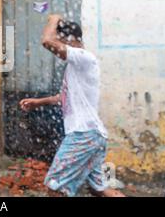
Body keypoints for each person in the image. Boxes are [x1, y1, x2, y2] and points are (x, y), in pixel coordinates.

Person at [19, 14, 125, 197]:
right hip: (94, 136)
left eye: (59, 40)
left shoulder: (84, 57)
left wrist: (54, 19)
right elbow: (65, 97)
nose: (58, 45)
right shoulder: (76, 65)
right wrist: (39, 102)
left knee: (55, 186)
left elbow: (46, 41)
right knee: (101, 189)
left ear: (67, 39)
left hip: (82, 135)